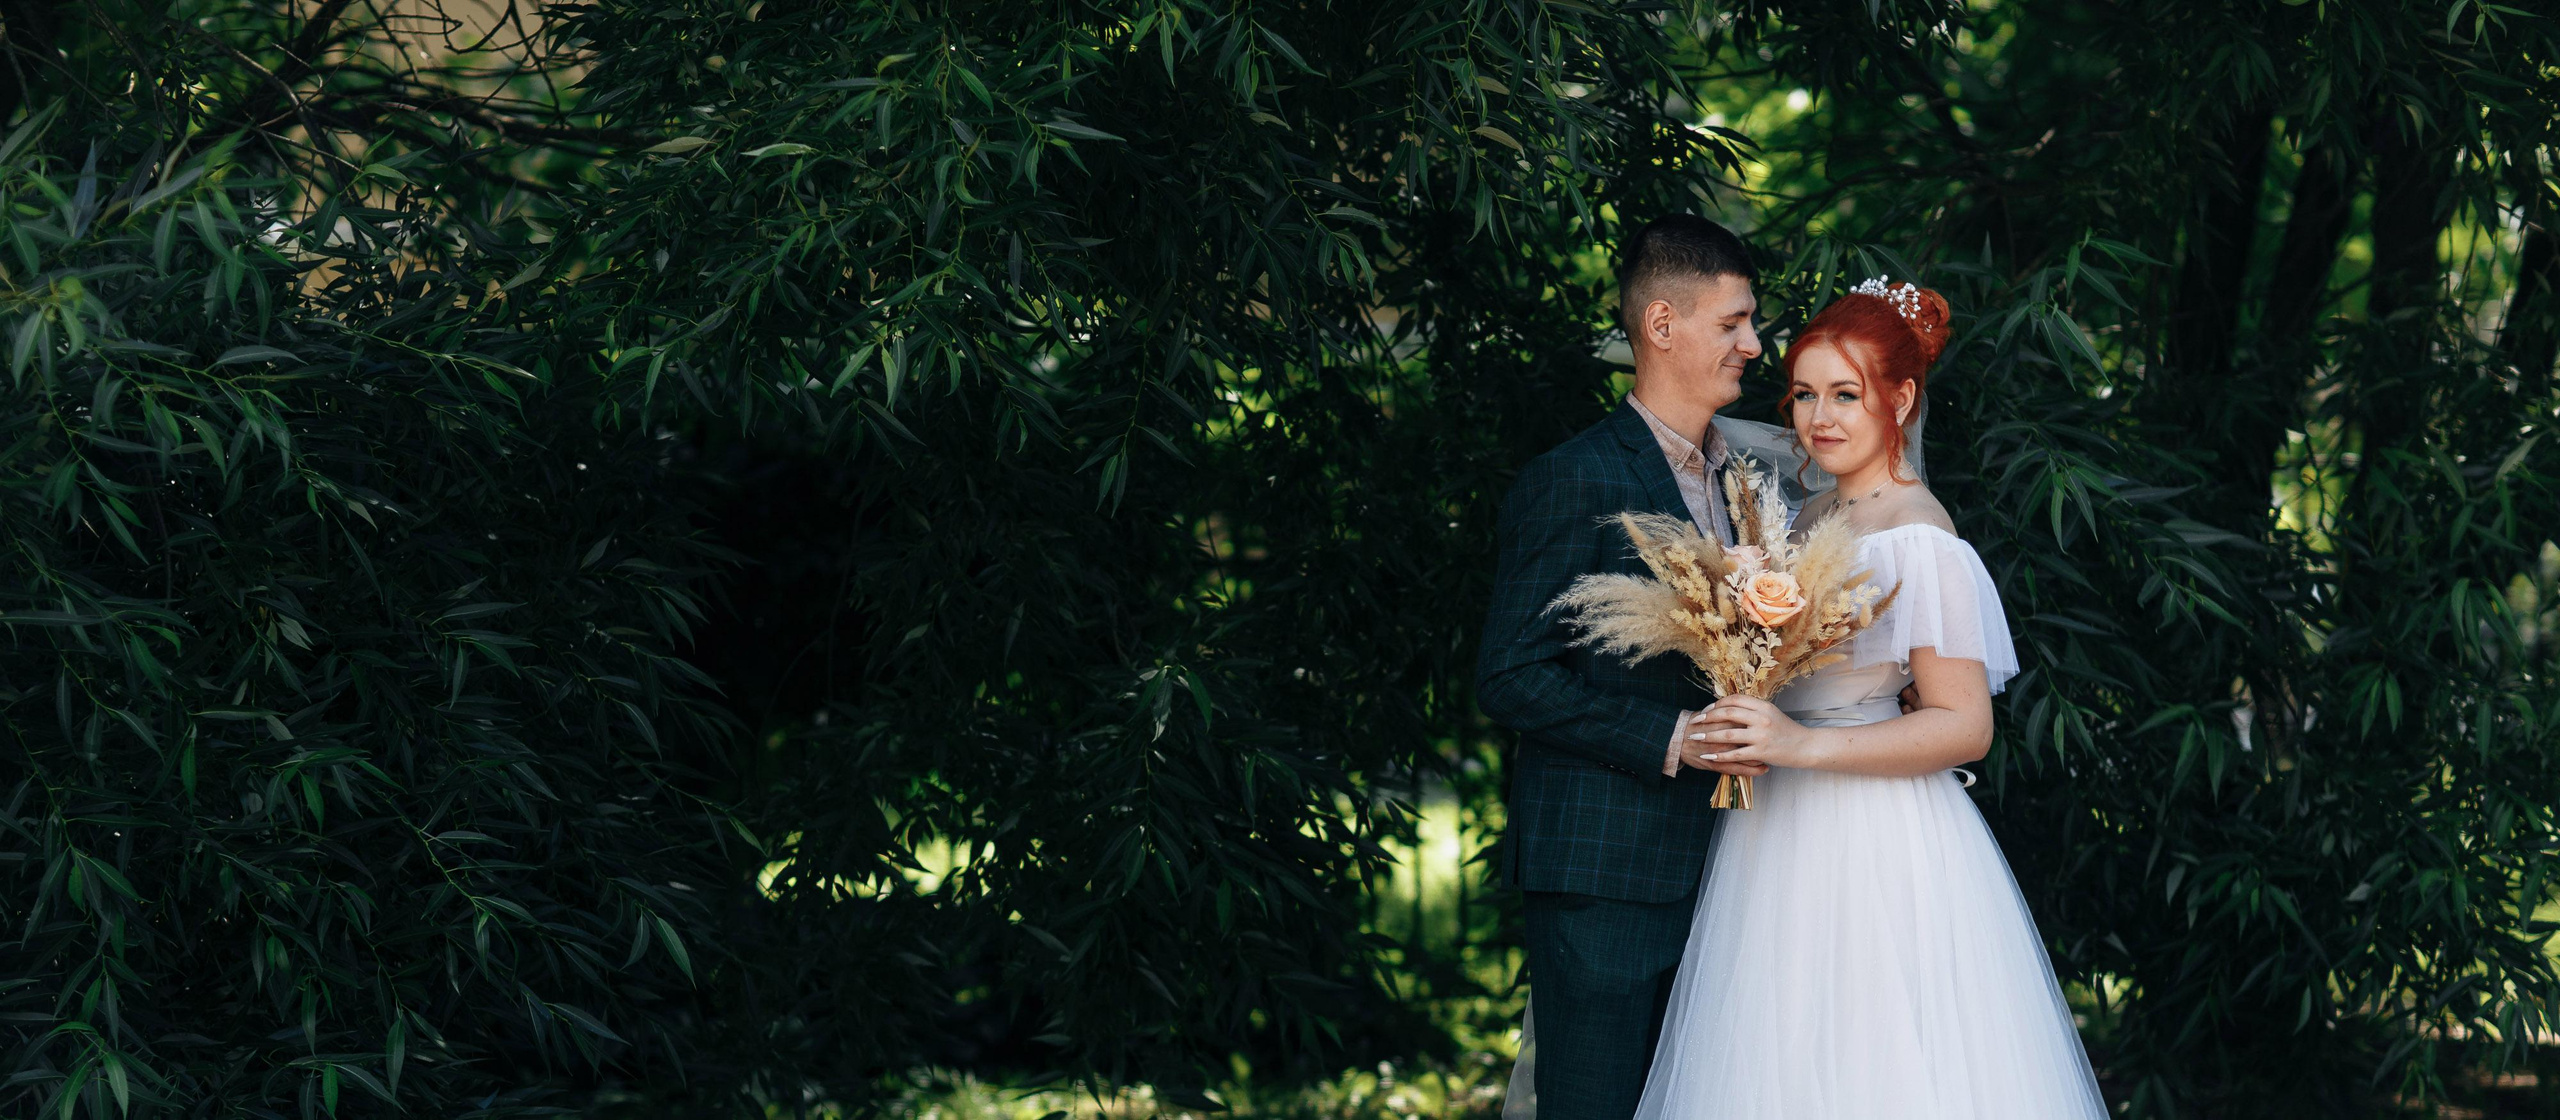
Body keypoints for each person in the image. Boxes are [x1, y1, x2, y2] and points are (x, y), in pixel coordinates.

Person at [1628, 278, 2109, 1119]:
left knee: (1871, 1061)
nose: (1820, 418)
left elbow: (1965, 726)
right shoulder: (1807, 514)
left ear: (1903, 397)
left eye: (1846, 395)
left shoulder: (1919, 535)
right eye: (1806, 394)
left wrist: (1799, 745)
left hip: (1872, 837)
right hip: (1772, 835)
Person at [1477, 214, 1812, 1120]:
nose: (1755, 343)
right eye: (1734, 322)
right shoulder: (1573, 477)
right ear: (1662, 326)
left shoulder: (1746, 485)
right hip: (1606, 879)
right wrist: (1672, 736)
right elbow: (1509, 673)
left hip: (1735, 870)